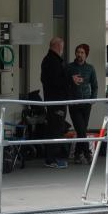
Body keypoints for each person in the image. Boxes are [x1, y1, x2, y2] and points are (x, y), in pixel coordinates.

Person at [40, 37, 71, 168]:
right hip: (57, 100)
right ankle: (52, 159)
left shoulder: (48, 60)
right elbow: (56, 81)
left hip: (53, 100)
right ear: (58, 46)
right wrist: (70, 80)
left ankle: (51, 157)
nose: (62, 49)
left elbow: (45, 80)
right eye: (62, 47)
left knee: (54, 128)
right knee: (56, 129)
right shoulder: (53, 62)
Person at [66, 43, 98, 164]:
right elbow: (63, 83)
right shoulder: (69, 67)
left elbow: (95, 85)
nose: (79, 54)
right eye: (78, 52)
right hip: (74, 103)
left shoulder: (90, 68)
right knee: (80, 128)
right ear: (75, 53)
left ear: (86, 55)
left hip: (86, 103)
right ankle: (87, 153)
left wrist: (93, 99)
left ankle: (77, 154)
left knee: (82, 130)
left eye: (82, 52)